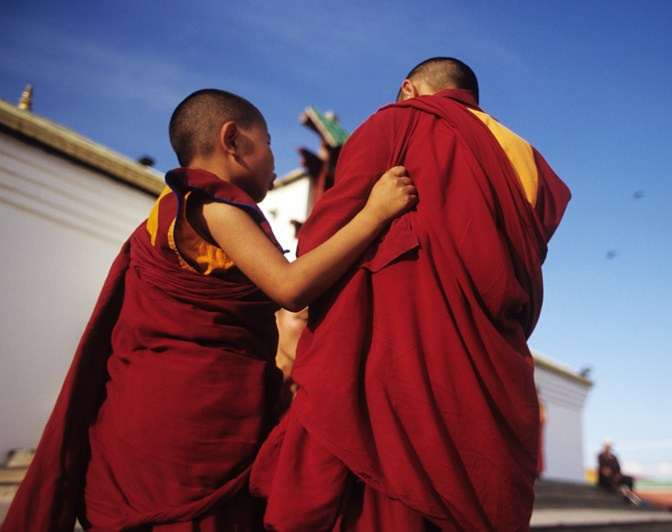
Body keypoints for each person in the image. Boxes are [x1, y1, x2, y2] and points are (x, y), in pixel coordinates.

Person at [1, 88, 416, 532]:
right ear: (232, 140)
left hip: (150, 417)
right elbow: (290, 287)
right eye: (269, 142)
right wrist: (373, 215)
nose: (275, 158)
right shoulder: (214, 204)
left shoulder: (168, 212)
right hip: (188, 428)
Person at [250, 58, 571, 530]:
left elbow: (321, 239)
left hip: (393, 360)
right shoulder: (529, 163)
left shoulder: (399, 120)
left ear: (409, 89)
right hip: (485, 366)